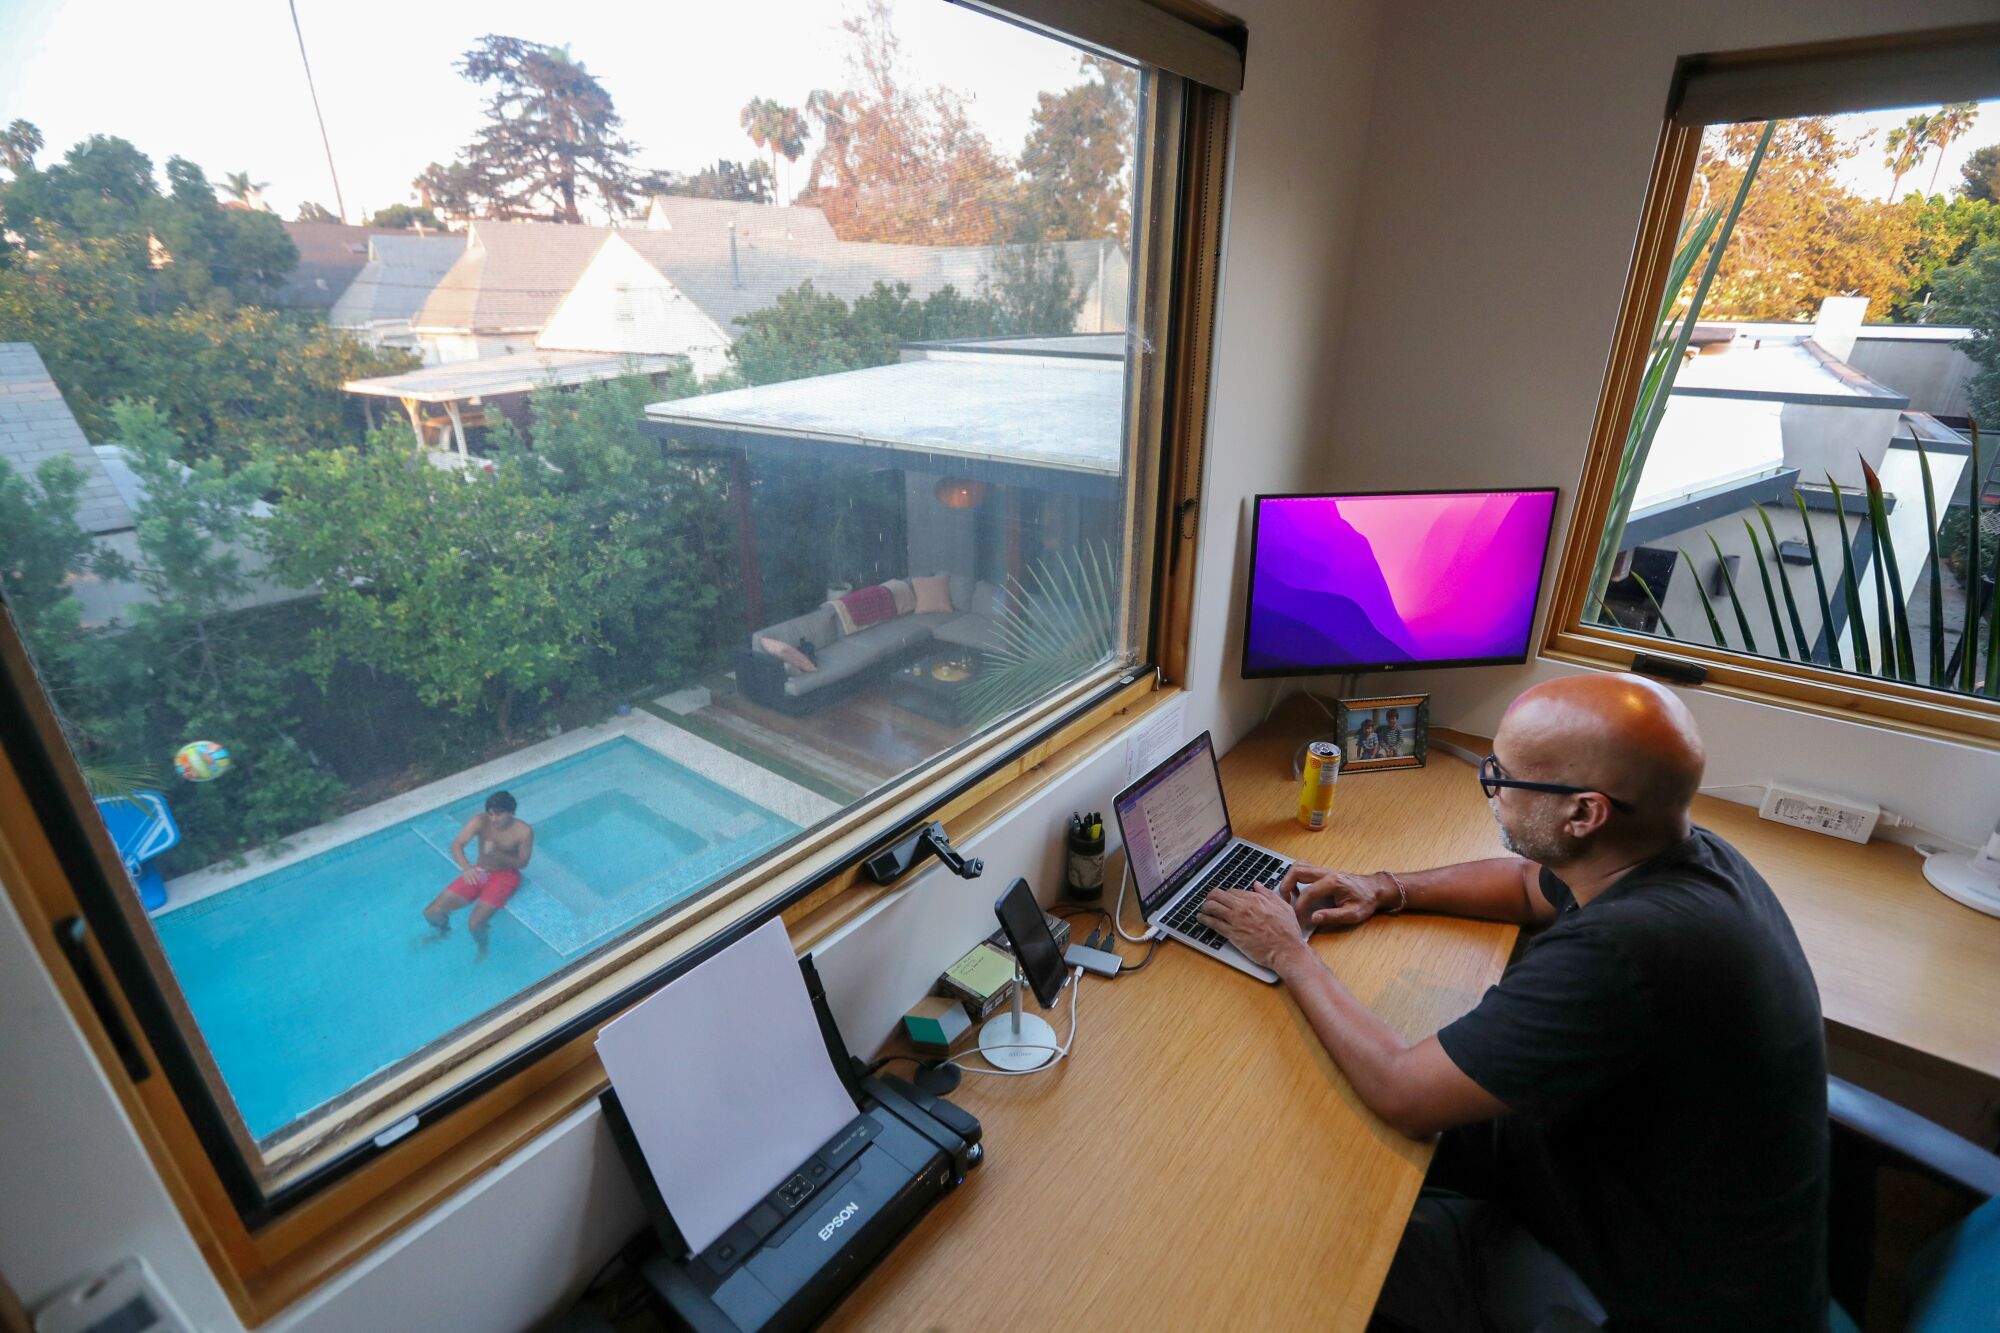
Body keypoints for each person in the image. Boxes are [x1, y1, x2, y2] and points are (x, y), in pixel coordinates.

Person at [1197, 673, 1827, 1332]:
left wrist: (1289, 952)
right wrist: (1385, 887)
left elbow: (1402, 1089)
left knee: (1314, 1253)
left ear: (1585, 813)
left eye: (1505, 777)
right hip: (1630, 1190)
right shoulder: (1675, 852)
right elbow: (1531, 883)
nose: (1492, 788)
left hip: (1645, 1295)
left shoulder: (1627, 950)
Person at [422, 791, 534, 961]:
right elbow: (457, 845)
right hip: (479, 872)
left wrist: (498, 853)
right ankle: (444, 932)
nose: (494, 819)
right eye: (491, 814)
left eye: (499, 814)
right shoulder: (480, 821)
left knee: (475, 924)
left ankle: (483, 947)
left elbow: (523, 863)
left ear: (511, 813)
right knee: (432, 912)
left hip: (505, 877)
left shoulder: (524, 831)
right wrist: (466, 868)